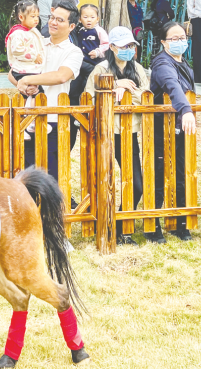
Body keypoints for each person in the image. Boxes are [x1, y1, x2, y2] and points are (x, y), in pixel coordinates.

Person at [84, 27, 147, 245]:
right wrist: (112, 87)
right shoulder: (100, 68)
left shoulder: (137, 69)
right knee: (104, 182)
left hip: (129, 133)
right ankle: (104, 225)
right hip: (104, 133)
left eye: (131, 46)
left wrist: (127, 92)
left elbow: (146, 96)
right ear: (111, 47)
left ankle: (121, 225)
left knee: (136, 183)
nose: (128, 50)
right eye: (123, 46)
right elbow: (89, 98)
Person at [10, 0, 83, 181]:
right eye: (52, 17)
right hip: (27, 119)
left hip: (54, 121)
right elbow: (12, 73)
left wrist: (29, 79)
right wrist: (24, 85)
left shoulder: (73, 52)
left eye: (60, 20)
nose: (53, 22)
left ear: (71, 26)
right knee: (25, 177)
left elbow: (61, 76)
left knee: (51, 178)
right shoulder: (37, 43)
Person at [148, 22, 196, 243]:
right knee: (158, 174)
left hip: (180, 128)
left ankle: (180, 223)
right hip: (161, 128)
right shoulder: (162, 63)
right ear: (163, 42)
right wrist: (185, 109)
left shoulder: (184, 63)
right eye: (174, 38)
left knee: (181, 173)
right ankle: (152, 225)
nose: (180, 42)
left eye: (182, 38)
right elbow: (172, 85)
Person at [5, 0, 44, 81]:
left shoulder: (33, 30)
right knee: (32, 88)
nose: (36, 19)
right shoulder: (18, 33)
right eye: (33, 16)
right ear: (21, 17)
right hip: (24, 70)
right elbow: (17, 50)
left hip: (34, 68)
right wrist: (34, 57)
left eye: (37, 16)